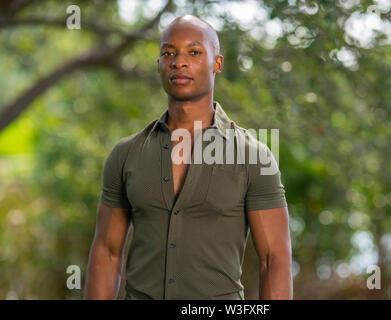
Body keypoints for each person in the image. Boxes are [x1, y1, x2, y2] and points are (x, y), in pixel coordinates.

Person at [84, 14, 292, 300]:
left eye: (194, 52)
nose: (178, 62)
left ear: (217, 63)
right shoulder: (126, 154)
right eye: (168, 53)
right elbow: (107, 253)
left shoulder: (253, 157)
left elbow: (274, 260)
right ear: (159, 64)